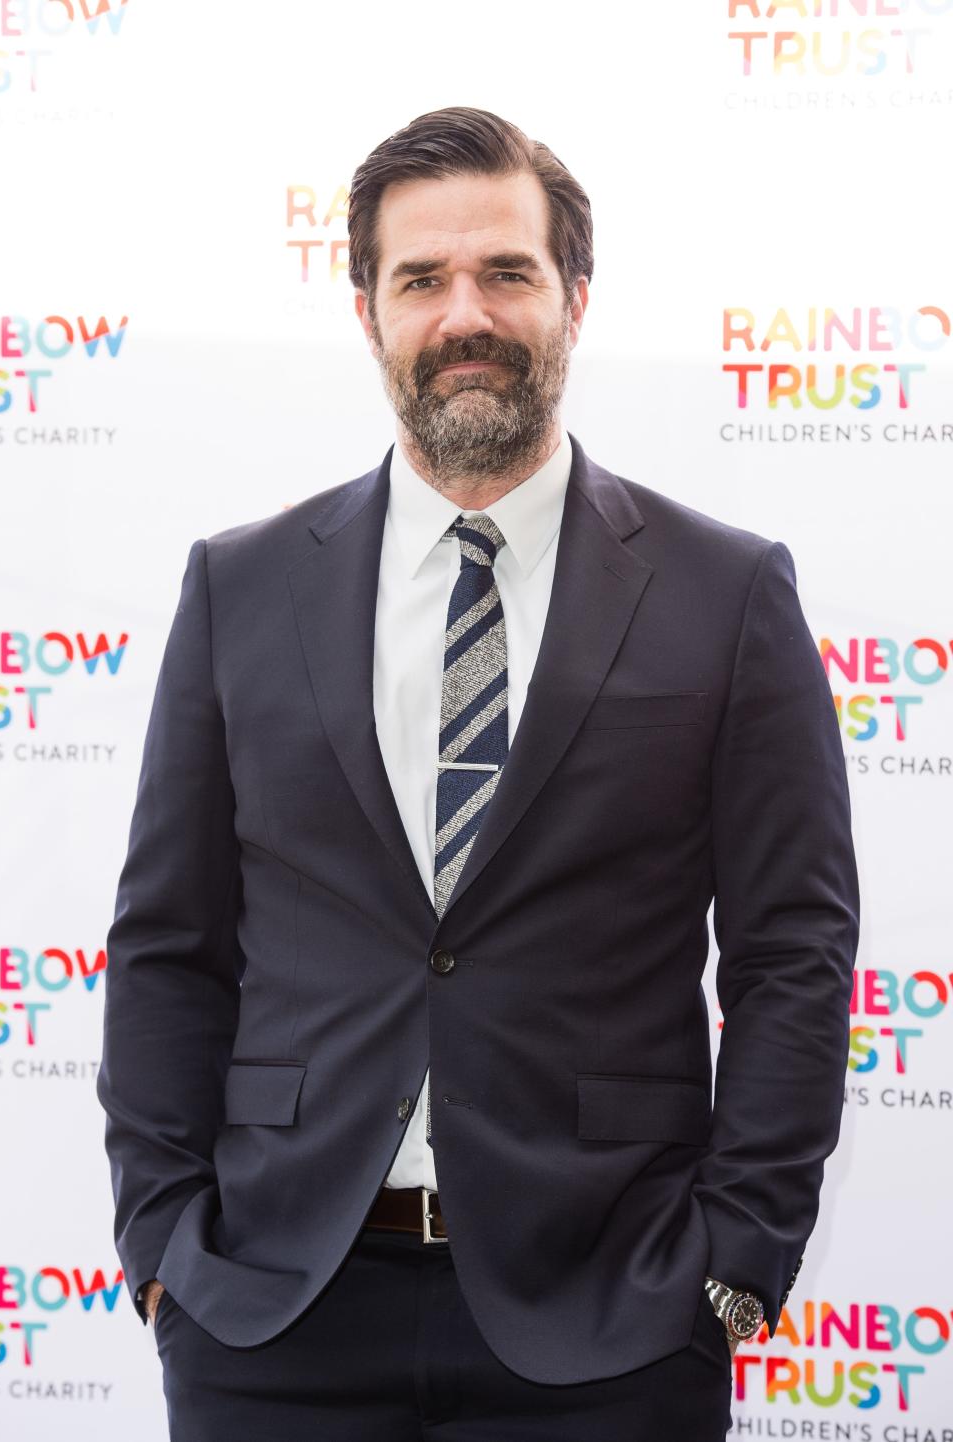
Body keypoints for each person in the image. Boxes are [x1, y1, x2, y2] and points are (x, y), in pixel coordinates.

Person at [96, 106, 860, 1442]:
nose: (467, 313)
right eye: (422, 279)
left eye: (506, 272)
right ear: (367, 310)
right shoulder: (242, 587)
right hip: (277, 1314)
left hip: (609, 1321)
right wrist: (168, 1248)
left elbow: (793, 947)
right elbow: (169, 941)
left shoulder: (727, 592)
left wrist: (733, 1266)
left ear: (573, 295)